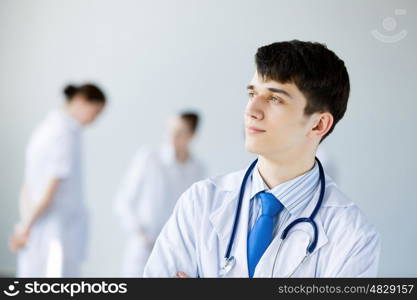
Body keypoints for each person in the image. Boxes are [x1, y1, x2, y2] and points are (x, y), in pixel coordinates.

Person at [143, 40, 380, 278]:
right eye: (252, 93)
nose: (251, 110)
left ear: (319, 124)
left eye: (275, 99)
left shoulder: (352, 235)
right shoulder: (201, 202)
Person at [9, 83, 106, 277]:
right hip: (55, 229)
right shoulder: (65, 135)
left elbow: (28, 185)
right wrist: (25, 228)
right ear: (81, 101)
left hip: (38, 224)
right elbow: (50, 191)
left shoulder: (44, 129)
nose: (95, 120)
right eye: (95, 112)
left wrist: (25, 224)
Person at [114, 112, 206, 277]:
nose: (172, 137)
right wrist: (139, 234)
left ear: (192, 135)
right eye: (170, 131)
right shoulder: (149, 158)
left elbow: (196, 210)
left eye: (180, 132)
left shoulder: (197, 168)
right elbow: (124, 201)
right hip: (144, 247)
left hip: (176, 249)